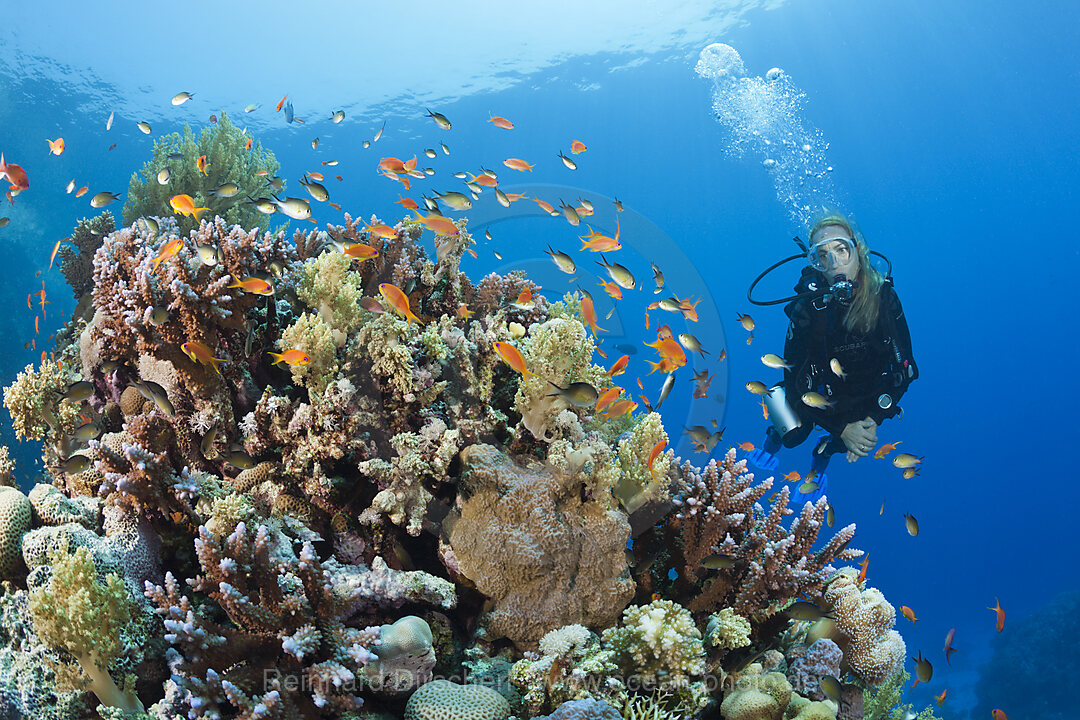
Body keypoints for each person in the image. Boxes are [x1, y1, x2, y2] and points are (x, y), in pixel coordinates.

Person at [746, 213, 918, 501]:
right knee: (793, 433)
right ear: (815, 264)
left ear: (858, 251)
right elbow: (793, 375)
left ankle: (820, 466)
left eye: (841, 250)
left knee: (841, 441)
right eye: (822, 256)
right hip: (816, 389)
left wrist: (872, 419)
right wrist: (841, 426)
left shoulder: (883, 298)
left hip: (865, 391)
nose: (835, 262)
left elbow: (906, 370)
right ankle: (771, 442)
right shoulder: (807, 307)